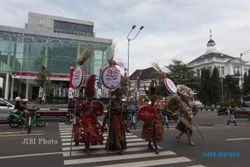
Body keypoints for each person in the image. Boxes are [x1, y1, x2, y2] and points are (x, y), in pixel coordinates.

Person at [141, 81, 164, 154]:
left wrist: (160, 116)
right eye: (152, 99)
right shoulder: (148, 105)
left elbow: (160, 113)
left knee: (154, 134)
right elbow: (145, 113)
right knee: (152, 134)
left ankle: (149, 144)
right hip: (150, 122)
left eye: (154, 99)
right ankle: (156, 148)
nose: (153, 100)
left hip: (157, 122)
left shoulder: (158, 105)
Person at [106, 87, 127, 155]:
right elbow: (109, 111)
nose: (119, 96)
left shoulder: (123, 102)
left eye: (120, 95)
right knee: (116, 131)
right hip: (114, 118)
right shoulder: (113, 102)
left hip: (120, 118)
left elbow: (124, 111)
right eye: (118, 95)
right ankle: (118, 147)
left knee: (121, 131)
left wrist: (125, 117)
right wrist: (109, 107)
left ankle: (121, 145)